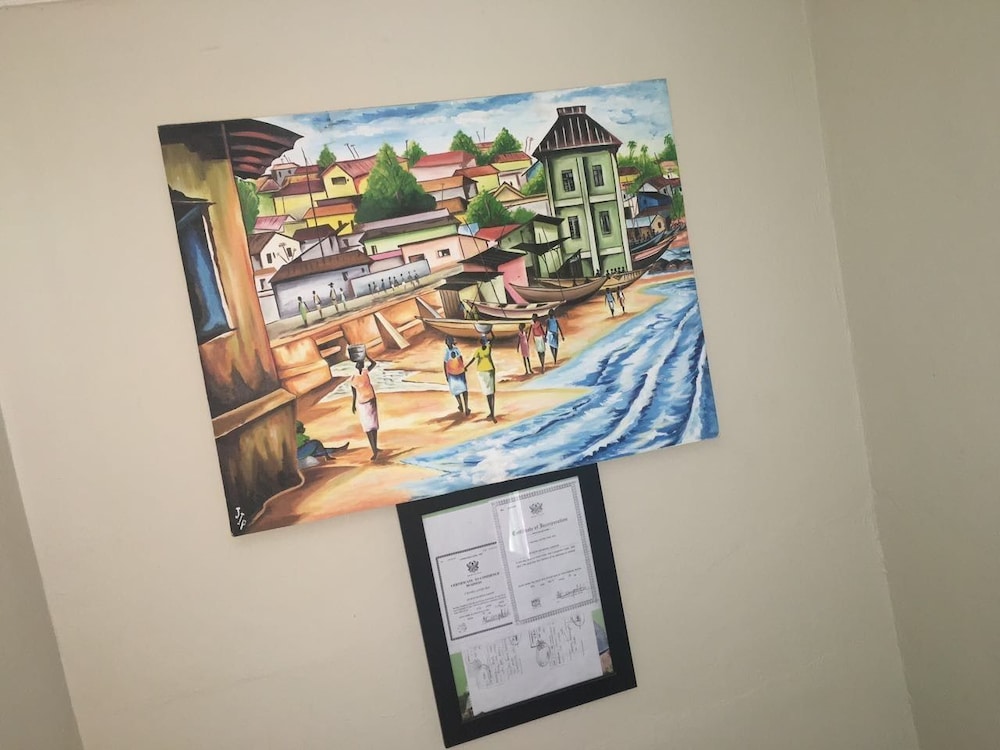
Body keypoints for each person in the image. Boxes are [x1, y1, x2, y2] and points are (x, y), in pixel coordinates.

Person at [350, 354, 380, 460]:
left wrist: (366, 355)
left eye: (361, 364)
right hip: (363, 403)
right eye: (359, 364)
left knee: (374, 426)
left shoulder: (365, 372)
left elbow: (374, 363)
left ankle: (375, 448)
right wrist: (353, 404)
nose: (361, 366)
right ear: (356, 366)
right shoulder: (354, 378)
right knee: (368, 427)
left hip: (371, 400)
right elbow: (354, 393)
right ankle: (374, 450)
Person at [465, 332, 497, 423]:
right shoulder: (479, 350)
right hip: (482, 372)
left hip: (489, 370)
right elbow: (473, 359)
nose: (483, 342)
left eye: (484, 340)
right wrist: (466, 366)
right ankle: (491, 413)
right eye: (482, 341)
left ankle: (492, 413)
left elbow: (493, 338)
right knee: (488, 393)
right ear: (481, 342)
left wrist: (490, 331)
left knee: (491, 393)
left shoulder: (488, 347)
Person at [442, 335, 470, 415]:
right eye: (447, 341)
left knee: (463, 390)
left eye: (449, 341)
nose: (448, 343)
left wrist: (463, 368)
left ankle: (466, 407)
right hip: (453, 374)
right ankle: (461, 405)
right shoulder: (447, 352)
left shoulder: (455, 350)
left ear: (451, 342)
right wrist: (446, 375)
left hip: (459, 372)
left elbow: (460, 359)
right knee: (456, 391)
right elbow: (445, 364)